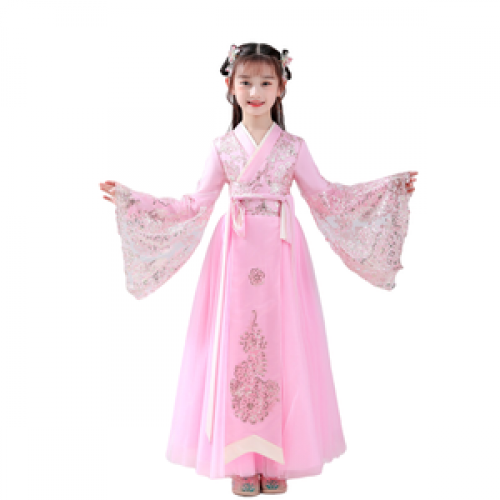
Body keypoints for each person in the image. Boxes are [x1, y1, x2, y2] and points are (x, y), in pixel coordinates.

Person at [99, 42, 417, 497]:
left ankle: (277, 459)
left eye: (266, 82)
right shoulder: (222, 149)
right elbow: (195, 204)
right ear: (229, 86)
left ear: (282, 87)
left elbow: (327, 197)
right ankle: (241, 460)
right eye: (246, 81)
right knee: (236, 345)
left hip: (283, 254)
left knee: (284, 344)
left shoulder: (293, 148)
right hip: (235, 252)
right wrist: (135, 201)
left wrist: (387, 190)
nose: (255, 91)